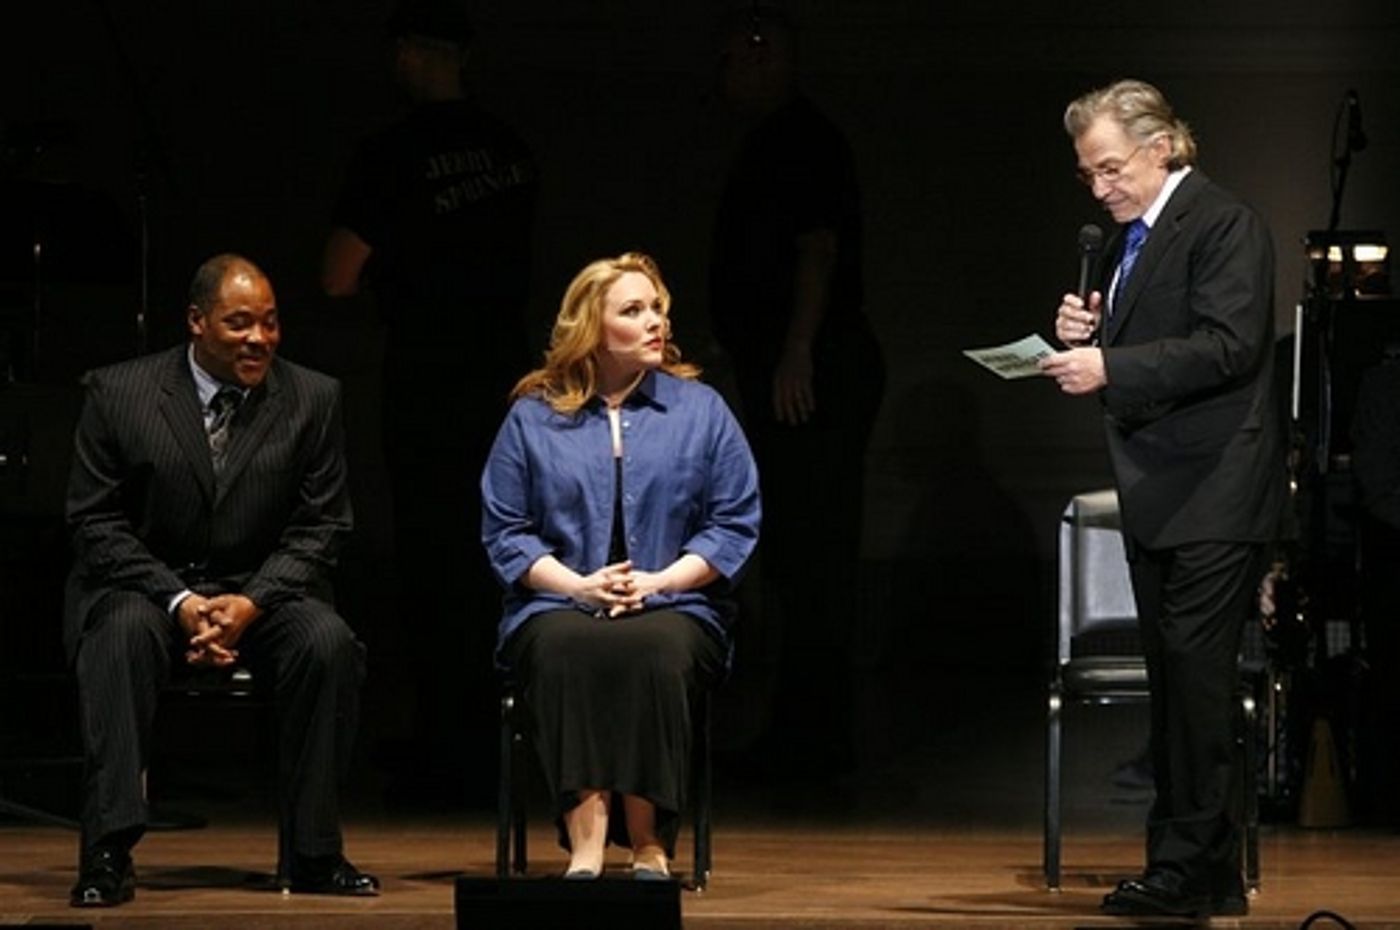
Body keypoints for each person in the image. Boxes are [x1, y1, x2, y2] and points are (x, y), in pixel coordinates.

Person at [1041, 79, 1286, 918]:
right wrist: (1089, 332)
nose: (1099, 187)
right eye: (1088, 174)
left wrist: (1108, 365)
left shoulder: (1222, 223)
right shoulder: (1130, 241)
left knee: (1196, 684)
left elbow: (1227, 346)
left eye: (1111, 168)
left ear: (1162, 147)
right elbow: (1159, 339)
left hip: (1215, 489)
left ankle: (1184, 870)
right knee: (1179, 684)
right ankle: (1201, 872)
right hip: (1162, 492)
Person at [65, 254, 377, 907]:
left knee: (327, 643)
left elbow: (323, 527)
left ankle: (314, 852)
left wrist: (251, 602)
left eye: (270, 322)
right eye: (239, 324)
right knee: (118, 636)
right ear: (197, 322)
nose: (259, 338)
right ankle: (107, 851)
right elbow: (95, 523)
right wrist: (179, 600)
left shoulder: (314, 398)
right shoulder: (118, 393)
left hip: (261, 588)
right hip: (150, 586)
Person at [481, 252, 760, 878]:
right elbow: (507, 532)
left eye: (657, 308)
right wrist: (580, 587)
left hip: (676, 603)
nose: (655, 321)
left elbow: (733, 524)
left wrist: (660, 581)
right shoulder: (533, 416)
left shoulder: (702, 411)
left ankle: (648, 840)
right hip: (556, 602)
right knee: (565, 647)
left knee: (653, 649)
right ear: (591, 328)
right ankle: (586, 841)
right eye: (633, 310)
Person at [321, 0, 537, 801]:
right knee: (497, 547)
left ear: (411, 53)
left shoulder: (390, 154)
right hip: (504, 378)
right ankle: (497, 735)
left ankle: (446, 741)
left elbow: (338, 275)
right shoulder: (511, 148)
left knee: (429, 552)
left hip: (427, 375)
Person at [708, 5, 883, 776]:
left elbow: (818, 249)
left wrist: (796, 351)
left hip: (813, 372)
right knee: (795, 551)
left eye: (740, 57)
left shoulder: (801, 140)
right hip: (793, 364)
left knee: (813, 550)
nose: (729, 73)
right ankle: (799, 729)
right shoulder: (778, 141)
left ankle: (814, 737)